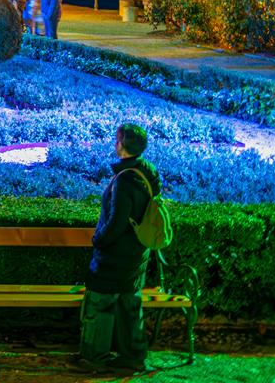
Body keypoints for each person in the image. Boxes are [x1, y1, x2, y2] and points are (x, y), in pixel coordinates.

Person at [80, 123, 160, 373]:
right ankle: (133, 357)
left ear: (122, 145)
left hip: (115, 256)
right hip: (137, 254)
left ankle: (94, 357)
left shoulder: (125, 179)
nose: (115, 144)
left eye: (117, 140)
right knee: (129, 305)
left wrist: (99, 240)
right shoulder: (147, 172)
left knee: (100, 304)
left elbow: (117, 221)